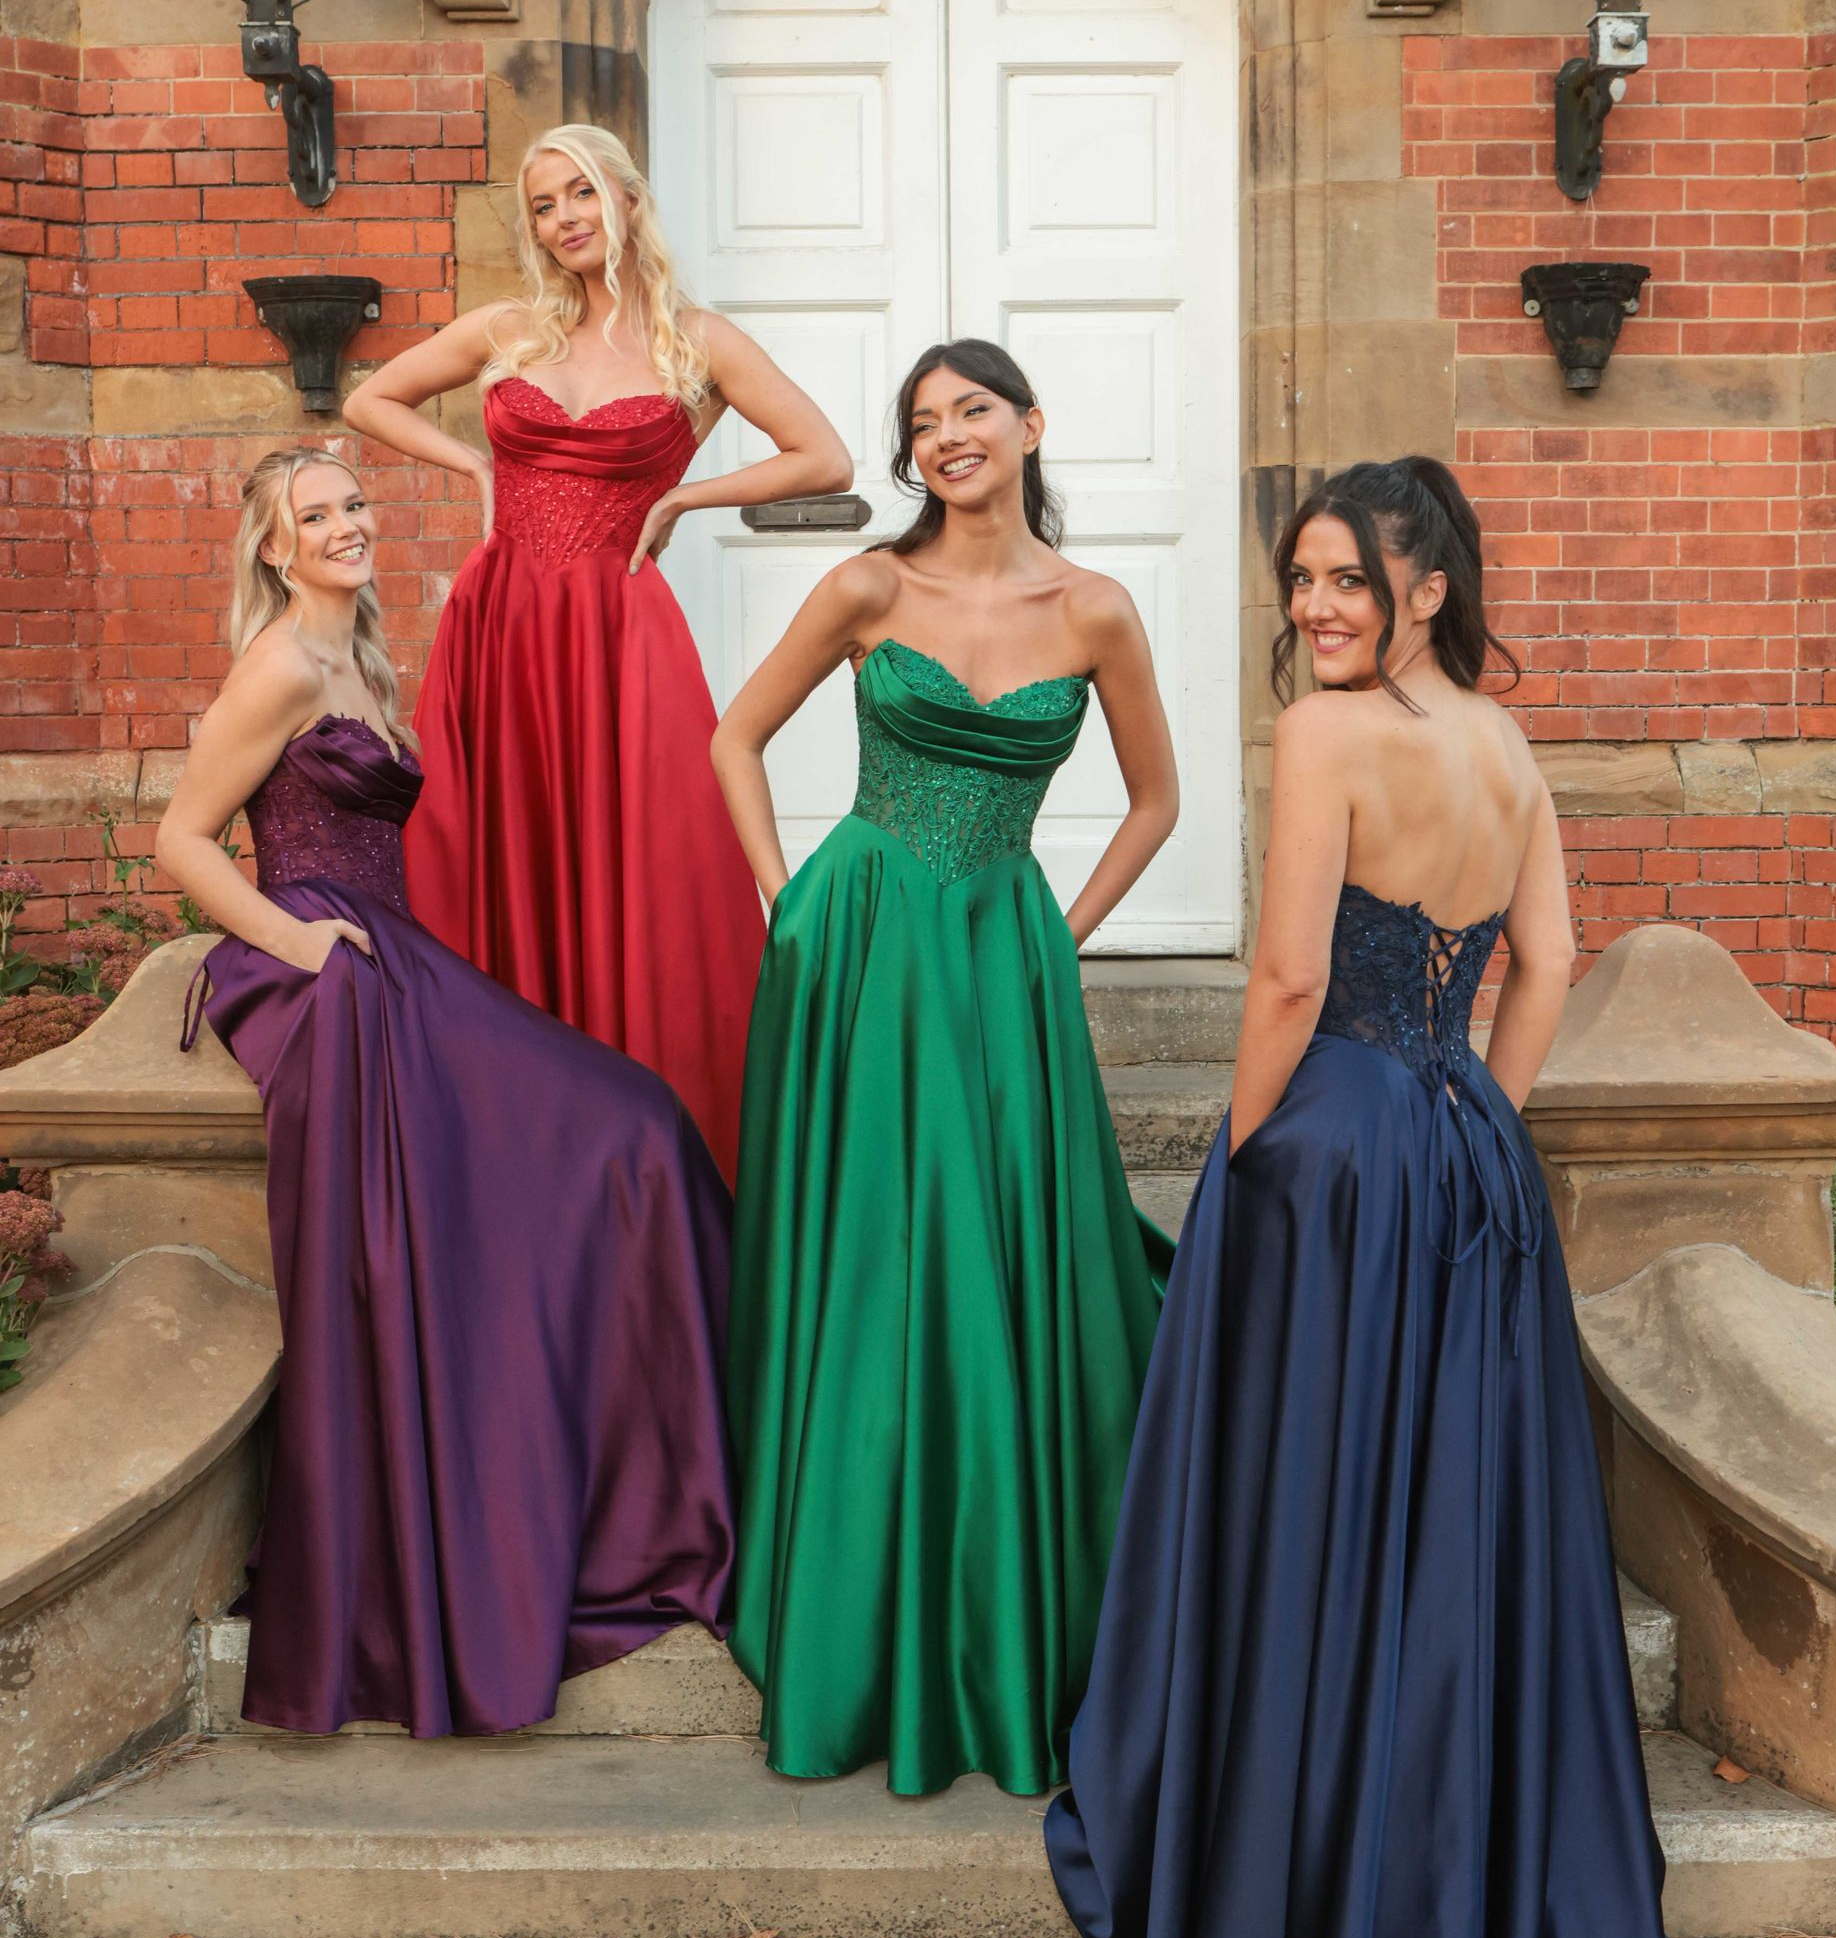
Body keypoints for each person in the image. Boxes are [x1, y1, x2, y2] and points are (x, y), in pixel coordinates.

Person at [1045, 455, 1700, 1938]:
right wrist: (1483, 1109)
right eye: (1302, 581)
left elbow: (1283, 976)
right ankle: (1455, 1903)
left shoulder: (1328, 737)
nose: (1313, 609)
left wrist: (1244, 1159)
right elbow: (1544, 962)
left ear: (1427, 585)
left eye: (1346, 580)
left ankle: (1285, 1895)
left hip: (1333, 1152)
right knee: (1448, 1532)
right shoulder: (1506, 744)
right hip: (1463, 1147)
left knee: (1308, 1516)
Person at [159, 445, 735, 1739]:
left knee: (636, 1125)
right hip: (332, 965)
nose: (348, 524)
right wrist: (297, 944)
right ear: (272, 547)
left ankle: (639, 1476)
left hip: (397, 950)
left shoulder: (360, 657)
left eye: (354, 504)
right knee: (624, 1131)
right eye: (316, 515)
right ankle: (615, 1500)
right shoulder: (282, 667)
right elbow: (182, 835)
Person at [710, 339, 1177, 1797]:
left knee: (993, 1254)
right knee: (874, 1259)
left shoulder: (1095, 608)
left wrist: (1057, 928)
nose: (948, 435)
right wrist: (789, 894)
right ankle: (849, 1597)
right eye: (923, 422)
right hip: (858, 945)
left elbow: (1159, 802)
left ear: (1031, 424)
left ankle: (996, 1608)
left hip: (997, 954)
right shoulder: (867, 587)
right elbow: (734, 737)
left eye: (972, 409)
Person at [342, 123, 854, 1183]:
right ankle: (503, 1133)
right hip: (503, 625)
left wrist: (686, 493)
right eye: (542, 204)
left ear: (625, 196)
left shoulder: (696, 342)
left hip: (621, 635)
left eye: (580, 193)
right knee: (493, 853)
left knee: (654, 862)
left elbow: (824, 455)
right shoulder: (509, 328)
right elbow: (369, 398)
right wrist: (474, 472)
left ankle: (654, 1152)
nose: (565, 217)